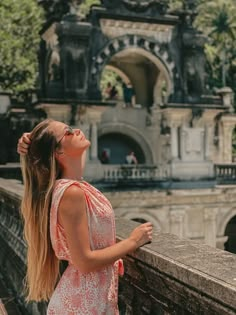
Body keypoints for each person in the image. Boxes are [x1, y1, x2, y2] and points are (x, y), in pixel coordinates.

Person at [17, 119, 152, 314]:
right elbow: (84, 261)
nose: (78, 130)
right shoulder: (71, 193)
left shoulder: (73, 183)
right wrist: (133, 241)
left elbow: (48, 149)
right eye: (69, 131)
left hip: (88, 299)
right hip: (84, 304)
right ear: (58, 152)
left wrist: (32, 142)